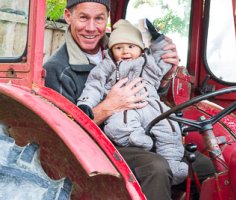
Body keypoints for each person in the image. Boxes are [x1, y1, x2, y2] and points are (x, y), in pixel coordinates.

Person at [44, 1, 216, 199]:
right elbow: (63, 137)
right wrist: (108, 107)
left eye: (99, 18)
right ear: (68, 16)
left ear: (107, 19)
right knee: (156, 168)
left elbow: (148, 88)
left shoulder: (121, 45)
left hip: (145, 128)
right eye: (83, 17)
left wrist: (166, 73)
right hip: (103, 144)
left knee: (207, 167)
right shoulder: (58, 70)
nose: (91, 28)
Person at [77, 19, 188, 185]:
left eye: (131, 46)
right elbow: (94, 85)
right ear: (111, 50)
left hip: (150, 107)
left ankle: (173, 165)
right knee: (117, 126)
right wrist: (85, 104)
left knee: (169, 128)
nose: (125, 52)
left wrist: (158, 39)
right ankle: (137, 140)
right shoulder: (108, 66)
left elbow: (162, 57)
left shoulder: (147, 64)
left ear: (141, 49)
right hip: (123, 111)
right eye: (119, 47)